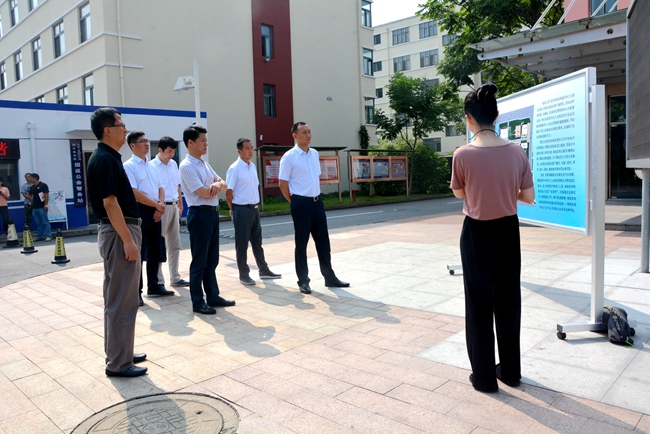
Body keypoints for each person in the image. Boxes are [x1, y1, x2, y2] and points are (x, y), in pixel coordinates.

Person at [450, 84, 535, 393]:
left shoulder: (462, 154)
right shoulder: (517, 151)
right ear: (496, 115)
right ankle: (510, 372)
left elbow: (459, 193)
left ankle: (484, 377)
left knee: (478, 304)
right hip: (508, 231)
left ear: (468, 118)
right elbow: (528, 196)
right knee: (509, 300)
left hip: (476, 233)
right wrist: (505, 190)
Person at [87, 107, 147, 378]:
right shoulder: (106, 160)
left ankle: (121, 352)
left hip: (116, 232)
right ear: (107, 130)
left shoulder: (106, 157)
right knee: (123, 300)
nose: (125, 129)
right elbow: (110, 203)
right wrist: (128, 240)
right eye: (121, 125)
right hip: (119, 232)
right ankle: (119, 363)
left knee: (117, 298)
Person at [278, 122, 349, 294]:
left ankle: (329, 277)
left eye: (309, 131)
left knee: (323, 242)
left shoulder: (314, 154)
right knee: (301, 244)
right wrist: (294, 202)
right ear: (295, 135)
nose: (308, 135)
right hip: (301, 203)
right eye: (304, 132)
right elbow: (282, 184)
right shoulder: (289, 157)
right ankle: (303, 280)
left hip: (317, 202)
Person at [179, 125, 235, 315]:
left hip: (212, 213)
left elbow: (224, 184)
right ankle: (197, 301)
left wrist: (217, 185)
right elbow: (203, 192)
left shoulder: (204, 164)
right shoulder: (187, 166)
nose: (206, 144)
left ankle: (213, 296)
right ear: (190, 142)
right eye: (202, 140)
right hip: (199, 214)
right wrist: (215, 186)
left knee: (212, 259)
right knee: (199, 260)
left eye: (206, 140)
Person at [123, 130, 175, 306]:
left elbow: (161, 188)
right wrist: (157, 205)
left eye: (147, 140)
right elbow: (134, 192)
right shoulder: (129, 166)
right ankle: (135, 292)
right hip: (141, 211)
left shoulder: (152, 165)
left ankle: (154, 285)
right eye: (142, 141)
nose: (146, 144)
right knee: (139, 252)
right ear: (132, 145)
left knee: (155, 250)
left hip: (156, 209)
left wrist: (160, 205)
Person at [226, 137, 281, 285]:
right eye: (247, 148)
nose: (250, 151)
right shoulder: (234, 169)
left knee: (257, 242)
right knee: (242, 244)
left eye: (251, 148)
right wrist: (233, 210)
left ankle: (263, 269)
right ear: (239, 151)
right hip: (241, 210)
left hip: (254, 209)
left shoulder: (252, 167)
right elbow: (229, 193)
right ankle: (244, 274)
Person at [152, 136, 190, 288]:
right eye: (168, 151)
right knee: (159, 244)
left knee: (175, 243)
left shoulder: (174, 164)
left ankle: (175, 277)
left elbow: (177, 185)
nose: (171, 155)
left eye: (173, 151)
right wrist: (157, 207)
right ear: (160, 150)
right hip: (161, 208)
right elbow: (152, 190)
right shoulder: (152, 166)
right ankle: (158, 280)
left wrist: (180, 205)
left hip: (174, 206)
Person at [28, 173, 52, 242]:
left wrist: (46, 205)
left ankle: (48, 235)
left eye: (31, 178)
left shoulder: (43, 185)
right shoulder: (32, 187)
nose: (30, 179)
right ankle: (39, 236)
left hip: (42, 207)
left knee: (45, 222)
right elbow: (29, 194)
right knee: (38, 223)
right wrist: (31, 201)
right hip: (35, 207)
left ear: (35, 178)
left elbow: (46, 195)